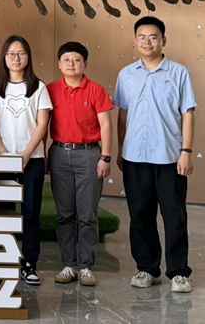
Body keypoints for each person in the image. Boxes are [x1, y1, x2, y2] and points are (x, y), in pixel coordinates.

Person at [115, 16, 195, 294]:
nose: (147, 42)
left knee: (174, 216)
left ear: (163, 40)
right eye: (142, 37)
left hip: (170, 157)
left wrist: (186, 151)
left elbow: (188, 113)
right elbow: (122, 114)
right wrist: (121, 149)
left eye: (153, 37)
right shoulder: (126, 74)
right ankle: (147, 268)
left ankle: (179, 272)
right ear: (134, 41)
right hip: (134, 157)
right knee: (140, 215)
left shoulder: (179, 73)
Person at [47, 41, 114, 287]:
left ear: (85, 63)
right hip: (59, 154)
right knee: (64, 214)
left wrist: (105, 157)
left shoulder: (96, 90)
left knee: (88, 214)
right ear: (59, 64)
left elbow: (106, 124)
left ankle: (86, 267)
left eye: (76, 60)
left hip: (89, 155)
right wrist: (44, 155)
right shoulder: (50, 90)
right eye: (66, 60)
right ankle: (68, 265)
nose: (71, 64)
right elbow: (43, 124)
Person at [0, 35, 52, 286]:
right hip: (2, 160)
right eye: (11, 54)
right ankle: (4, 260)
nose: (16, 58)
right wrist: (4, 154)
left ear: (28, 57)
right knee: (4, 213)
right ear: (4, 57)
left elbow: (42, 124)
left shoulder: (39, 87)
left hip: (32, 159)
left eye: (21, 53)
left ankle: (29, 264)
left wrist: (25, 153)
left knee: (30, 213)